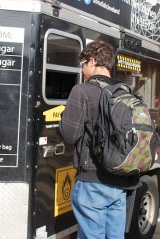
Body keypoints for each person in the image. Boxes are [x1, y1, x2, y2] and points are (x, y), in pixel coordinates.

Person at [59, 40, 139, 239]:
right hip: (120, 181)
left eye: (83, 64)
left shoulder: (82, 90)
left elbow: (70, 135)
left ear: (93, 61)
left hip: (92, 183)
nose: (82, 70)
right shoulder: (125, 91)